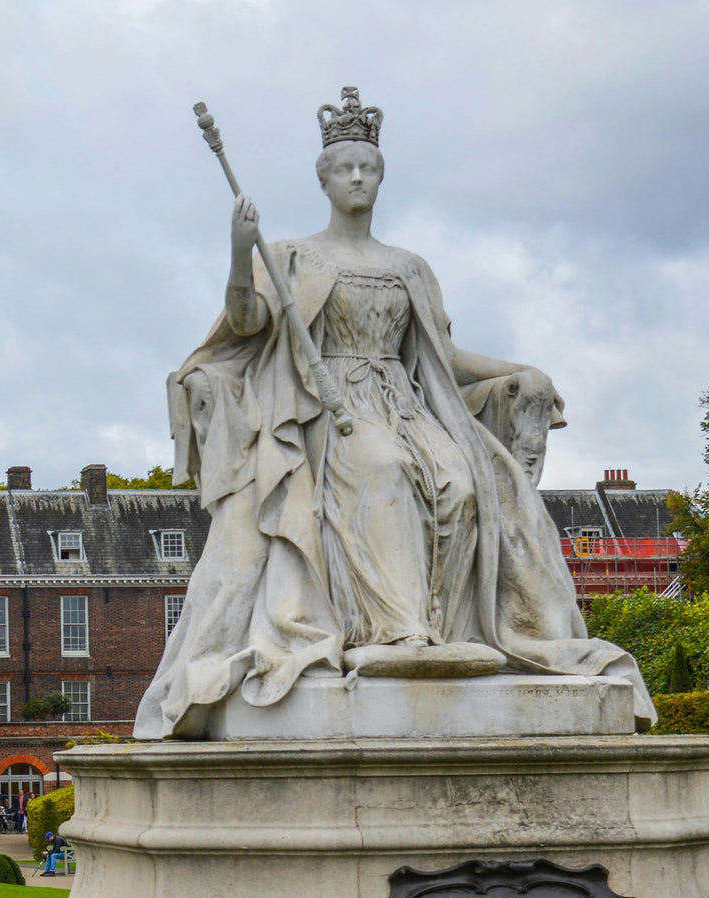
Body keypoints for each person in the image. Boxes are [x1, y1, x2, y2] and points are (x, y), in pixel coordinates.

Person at [135, 86, 653, 741]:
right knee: (382, 471)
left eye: (368, 167)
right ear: (324, 180)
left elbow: (443, 356)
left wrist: (520, 372)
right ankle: (394, 630)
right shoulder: (289, 256)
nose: (357, 177)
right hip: (327, 410)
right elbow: (246, 322)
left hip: (406, 403)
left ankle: (444, 630)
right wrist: (241, 254)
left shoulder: (410, 267)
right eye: (345, 168)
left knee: (462, 484)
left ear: (381, 177)